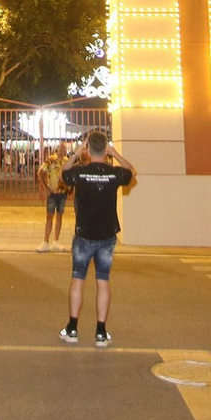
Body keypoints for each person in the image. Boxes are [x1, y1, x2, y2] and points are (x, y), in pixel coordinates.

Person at [59, 130, 136, 347]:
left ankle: (72, 328)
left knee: (78, 279)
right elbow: (132, 171)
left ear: (88, 148)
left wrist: (76, 153)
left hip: (84, 235)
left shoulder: (79, 173)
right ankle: (101, 332)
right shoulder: (114, 173)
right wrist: (115, 153)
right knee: (103, 281)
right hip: (106, 236)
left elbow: (63, 174)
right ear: (105, 149)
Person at [36, 147, 70, 252]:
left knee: (59, 216)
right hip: (52, 192)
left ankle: (56, 241)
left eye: (64, 148)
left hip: (62, 193)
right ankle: (46, 241)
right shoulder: (50, 160)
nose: (63, 150)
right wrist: (45, 187)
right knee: (49, 216)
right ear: (57, 149)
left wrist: (69, 188)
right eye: (61, 148)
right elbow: (40, 172)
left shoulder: (67, 161)